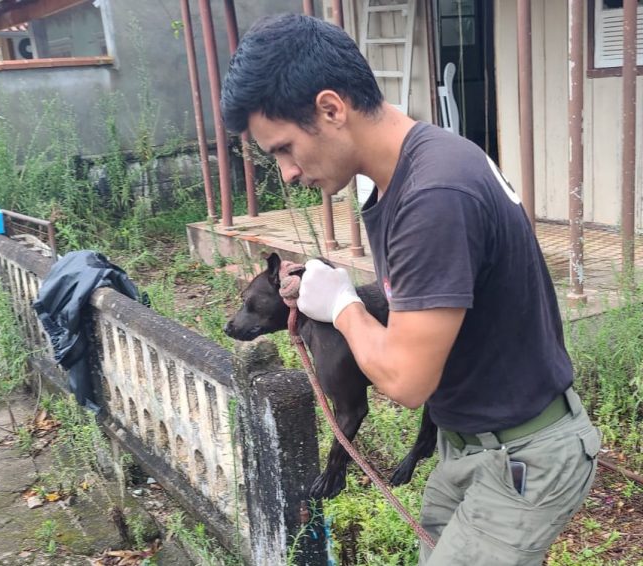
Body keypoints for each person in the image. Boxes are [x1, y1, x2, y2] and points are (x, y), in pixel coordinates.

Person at [220, 13, 600, 565]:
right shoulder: (408, 172)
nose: (288, 173)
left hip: (524, 458)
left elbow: (405, 380)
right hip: (472, 444)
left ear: (330, 109)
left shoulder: (434, 192)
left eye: (283, 148)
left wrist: (344, 306)